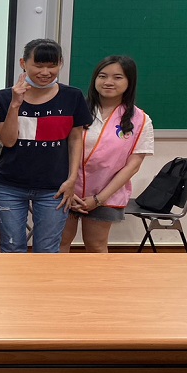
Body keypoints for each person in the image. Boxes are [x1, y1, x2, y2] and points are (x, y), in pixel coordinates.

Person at [0, 39, 92, 254]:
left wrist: (72, 179)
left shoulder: (72, 96)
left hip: (54, 187)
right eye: (38, 65)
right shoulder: (4, 97)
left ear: (60, 64)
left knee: (47, 250)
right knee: (11, 247)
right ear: (23, 63)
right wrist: (15, 104)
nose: (45, 72)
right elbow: (8, 140)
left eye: (52, 66)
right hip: (9, 185)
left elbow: (75, 139)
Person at [61, 56, 154, 253]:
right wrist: (69, 188)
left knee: (96, 246)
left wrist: (98, 199)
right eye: (102, 76)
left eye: (117, 77)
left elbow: (133, 166)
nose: (108, 82)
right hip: (66, 190)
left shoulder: (141, 120)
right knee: (59, 243)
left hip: (106, 194)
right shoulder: (76, 109)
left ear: (129, 82)